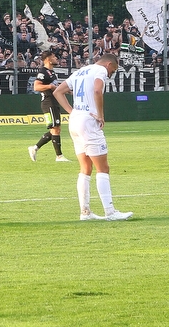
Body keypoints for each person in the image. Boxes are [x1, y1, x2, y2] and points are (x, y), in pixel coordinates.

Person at [53, 53, 133, 222]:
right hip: (89, 121)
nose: (111, 74)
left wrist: (72, 111)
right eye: (113, 70)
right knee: (103, 168)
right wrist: (101, 115)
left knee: (85, 169)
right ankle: (110, 212)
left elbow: (58, 92)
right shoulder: (100, 71)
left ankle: (85, 212)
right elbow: (97, 90)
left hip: (75, 121)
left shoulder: (81, 71)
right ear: (109, 64)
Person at [28, 50, 71, 163]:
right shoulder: (43, 72)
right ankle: (59, 156)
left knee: (55, 128)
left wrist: (66, 91)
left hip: (53, 102)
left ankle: (35, 148)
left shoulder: (51, 73)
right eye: (54, 56)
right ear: (48, 59)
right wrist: (50, 86)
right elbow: (36, 87)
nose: (56, 58)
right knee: (55, 129)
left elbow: (55, 87)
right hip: (48, 103)